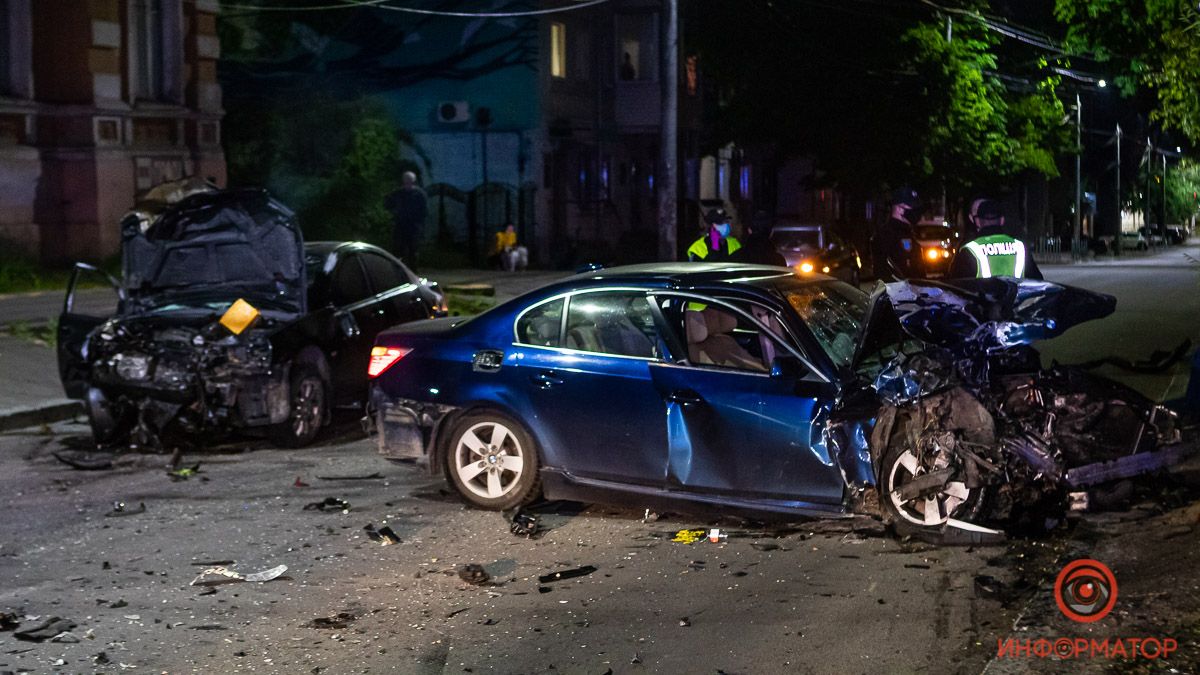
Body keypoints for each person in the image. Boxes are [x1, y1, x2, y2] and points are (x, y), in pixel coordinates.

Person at [948, 199, 1043, 280]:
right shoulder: (1020, 247)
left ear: (977, 222)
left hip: (983, 301)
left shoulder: (970, 250)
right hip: (1016, 301)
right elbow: (1037, 281)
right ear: (1002, 220)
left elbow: (956, 286)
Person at [872, 187, 923, 281]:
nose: (915, 212)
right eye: (912, 207)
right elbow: (883, 273)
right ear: (899, 209)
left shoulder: (908, 233)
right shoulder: (886, 234)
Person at [384, 171, 428, 271]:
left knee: (413, 251)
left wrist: (419, 226)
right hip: (400, 226)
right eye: (406, 181)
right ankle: (398, 272)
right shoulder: (398, 193)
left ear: (413, 181)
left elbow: (424, 212)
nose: (407, 183)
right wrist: (394, 213)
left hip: (413, 227)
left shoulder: (419, 194)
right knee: (398, 250)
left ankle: (413, 273)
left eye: (409, 181)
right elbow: (387, 203)